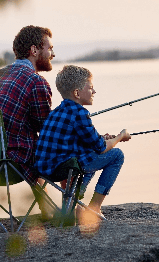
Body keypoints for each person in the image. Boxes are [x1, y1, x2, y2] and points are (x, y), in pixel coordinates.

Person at [0, 25, 55, 219]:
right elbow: (46, 131)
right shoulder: (36, 82)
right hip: (7, 164)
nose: (53, 53)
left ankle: (47, 207)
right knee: (56, 145)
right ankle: (60, 210)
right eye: (50, 48)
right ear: (34, 50)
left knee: (33, 144)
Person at [34, 65, 131, 222]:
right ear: (77, 93)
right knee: (116, 155)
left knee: (87, 155)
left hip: (45, 170)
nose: (94, 92)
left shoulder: (55, 112)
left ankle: (72, 206)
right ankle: (94, 207)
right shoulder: (79, 113)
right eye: (91, 88)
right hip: (64, 169)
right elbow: (100, 147)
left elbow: (77, 139)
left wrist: (102, 138)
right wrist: (120, 136)